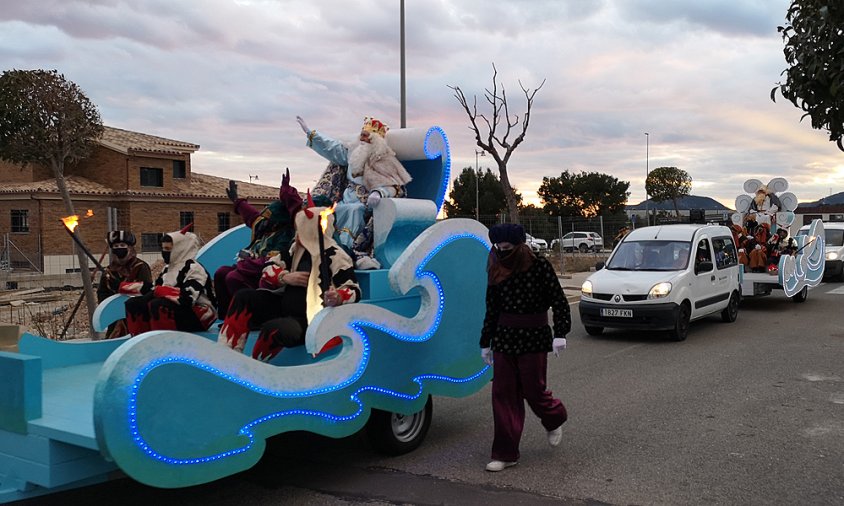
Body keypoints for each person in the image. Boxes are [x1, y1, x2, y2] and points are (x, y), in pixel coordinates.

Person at [218, 193, 361, 361]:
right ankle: (226, 355)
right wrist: (285, 277)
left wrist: (337, 297)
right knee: (244, 298)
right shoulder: (294, 250)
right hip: (284, 306)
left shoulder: (336, 255)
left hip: (312, 320)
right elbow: (269, 268)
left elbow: (353, 290)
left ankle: (255, 367)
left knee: (275, 330)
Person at [479, 223, 570, 472]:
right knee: (503, 394)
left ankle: (554, 418)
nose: (501, 251)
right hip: (505, 337)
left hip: (534, 336)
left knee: (534, 390)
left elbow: (559, 300)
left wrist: (560, 332)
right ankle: (505, 453)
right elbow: (492, 308)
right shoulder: (495, 266)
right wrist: (485, 342)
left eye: (507, 247)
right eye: (498, 247)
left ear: (520, 246)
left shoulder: (539, 266)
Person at [296, 115, 413, 269]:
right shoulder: (353, 152)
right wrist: (311, 134)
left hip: (366, 203)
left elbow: (395, 186)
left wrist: (378, 192)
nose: (362, 138)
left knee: (353, 210)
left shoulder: (384, 160)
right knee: (333, 211)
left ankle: (347, 250)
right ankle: (328, 247)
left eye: (366, 135)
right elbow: (332, 148)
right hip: (346, 197)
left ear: (375, 139)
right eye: (361, 134)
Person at [213, 170, 301, 315]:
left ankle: (248, 317)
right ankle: (226, 314)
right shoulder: (265, 228)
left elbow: (270, 262)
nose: (264, 221)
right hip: (249, 270)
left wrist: (287, 193)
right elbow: (251, 216)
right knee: (221, 273)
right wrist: (237, 201)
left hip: (265, 276)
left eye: (268, 219)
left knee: (233, 277)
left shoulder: (286, 235)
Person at [125, 225, 217, 335]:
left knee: (158, 305)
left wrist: (161, 291)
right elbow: (155, 288)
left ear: (180, 248)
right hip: (179, 309)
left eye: (168, 249)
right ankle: (140, 339)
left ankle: (164, 340)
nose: (164, 252)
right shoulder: (168, 268)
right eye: (163, 249)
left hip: (201, 314)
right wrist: (128, 287)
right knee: (134, 304)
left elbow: (187, 299)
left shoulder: (194, 268)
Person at [96, 230, 152, 338]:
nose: (119, 248)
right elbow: (102, 292)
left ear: (130, 247)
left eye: (122, 245)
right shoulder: (109, 271)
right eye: (116, 246)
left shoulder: (140, 267)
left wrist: (122, 286)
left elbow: (146, 290)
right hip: (115, 318)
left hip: (135, 316)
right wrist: (111, 308)